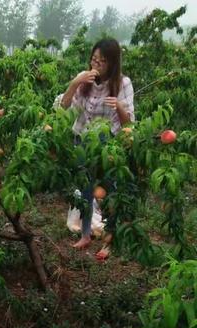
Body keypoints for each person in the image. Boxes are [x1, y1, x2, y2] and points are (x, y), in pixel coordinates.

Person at [57, 38, 135, 260]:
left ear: (112, 63)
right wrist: (75, 83)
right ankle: (85, 234)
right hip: (83, 143)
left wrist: (118, 107)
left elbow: (129, 124)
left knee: (111, 190)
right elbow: (64, 108)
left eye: (102, 61)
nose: (96, 64)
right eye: (94, 59)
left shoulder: (123, 83)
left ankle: (111, 239)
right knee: (86, 190)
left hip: (108, 145)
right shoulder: (85, 80)